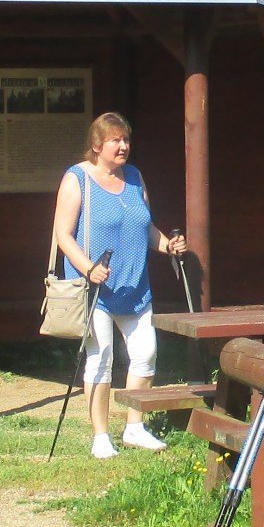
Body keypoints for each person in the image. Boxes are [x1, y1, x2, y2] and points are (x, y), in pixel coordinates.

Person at [52, 112, 189, 459]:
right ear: (97, 145)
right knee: (101, 360)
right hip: (94, 289)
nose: (124, 146)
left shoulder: (134, 177)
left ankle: (135, 427)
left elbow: (144, 227)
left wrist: (167, 246)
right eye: (116, 140)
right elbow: (62, 235)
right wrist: (87, 268)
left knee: (145, 354)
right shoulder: (77, 179)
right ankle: (100, 435)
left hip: (135, 286)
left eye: (126, 139)